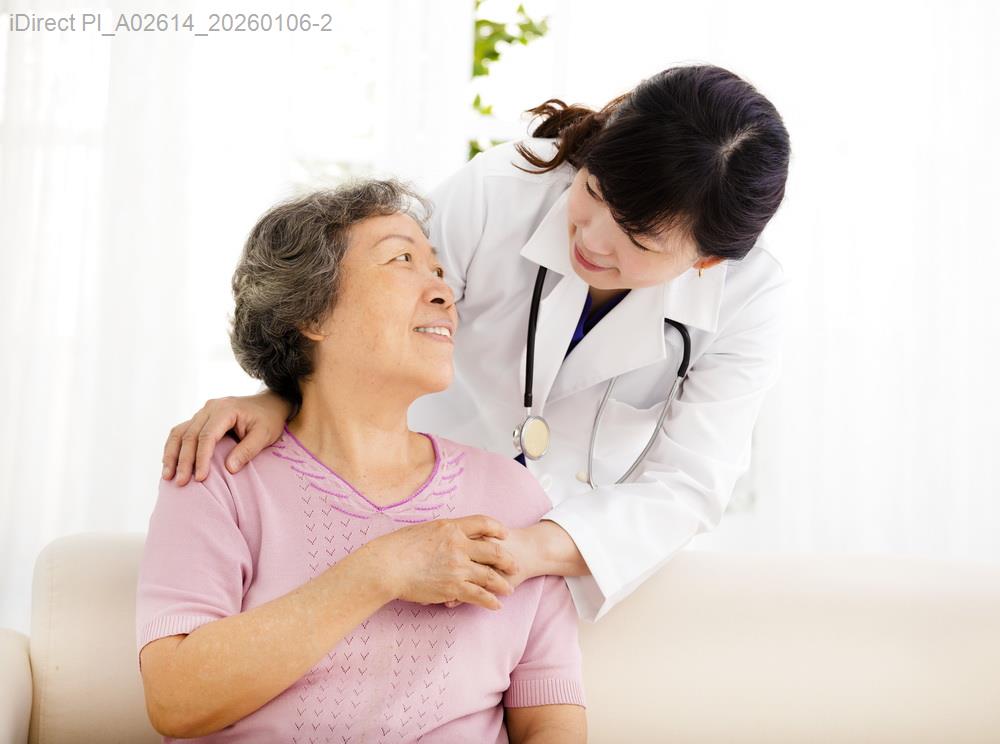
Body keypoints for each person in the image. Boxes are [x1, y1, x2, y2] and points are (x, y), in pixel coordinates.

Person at [162, 64, 792, 623]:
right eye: (594, 191)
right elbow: (373, 312)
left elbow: (687, 484)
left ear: (707, 261)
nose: (592, 239)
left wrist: (524, 550)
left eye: (638, 239)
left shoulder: (748, 297)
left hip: (564, 553)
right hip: (399, 503)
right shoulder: (501, 189)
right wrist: (281, 398)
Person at [136, 182, 586, 742]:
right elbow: (175, 700)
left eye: (438, 270)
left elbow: (550, 718)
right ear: (312, 313)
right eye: (402, 260)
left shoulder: (512, 496)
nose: (444, 292)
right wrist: (383, 568)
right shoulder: (219, 472)